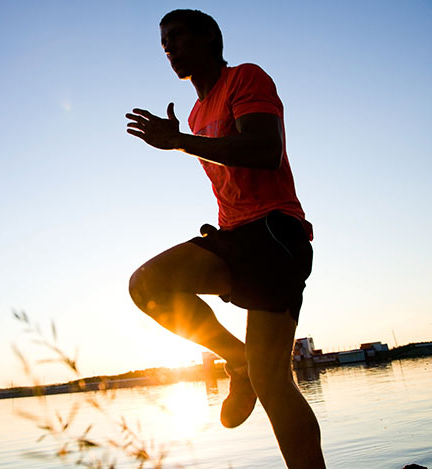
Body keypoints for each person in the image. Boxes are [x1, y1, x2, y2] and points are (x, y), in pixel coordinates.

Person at [126, 9, 325, 468]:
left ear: (211, 39)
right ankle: (237, 362)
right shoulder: (197, 111)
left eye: (176, 37)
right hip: (234, 235)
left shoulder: (246, 79)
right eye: (163, 43)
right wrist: (184, 137)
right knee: (147, 285)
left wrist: (181, 143)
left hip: (276, 234)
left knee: (274, 382)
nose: (168, 48)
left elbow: (264, 150)